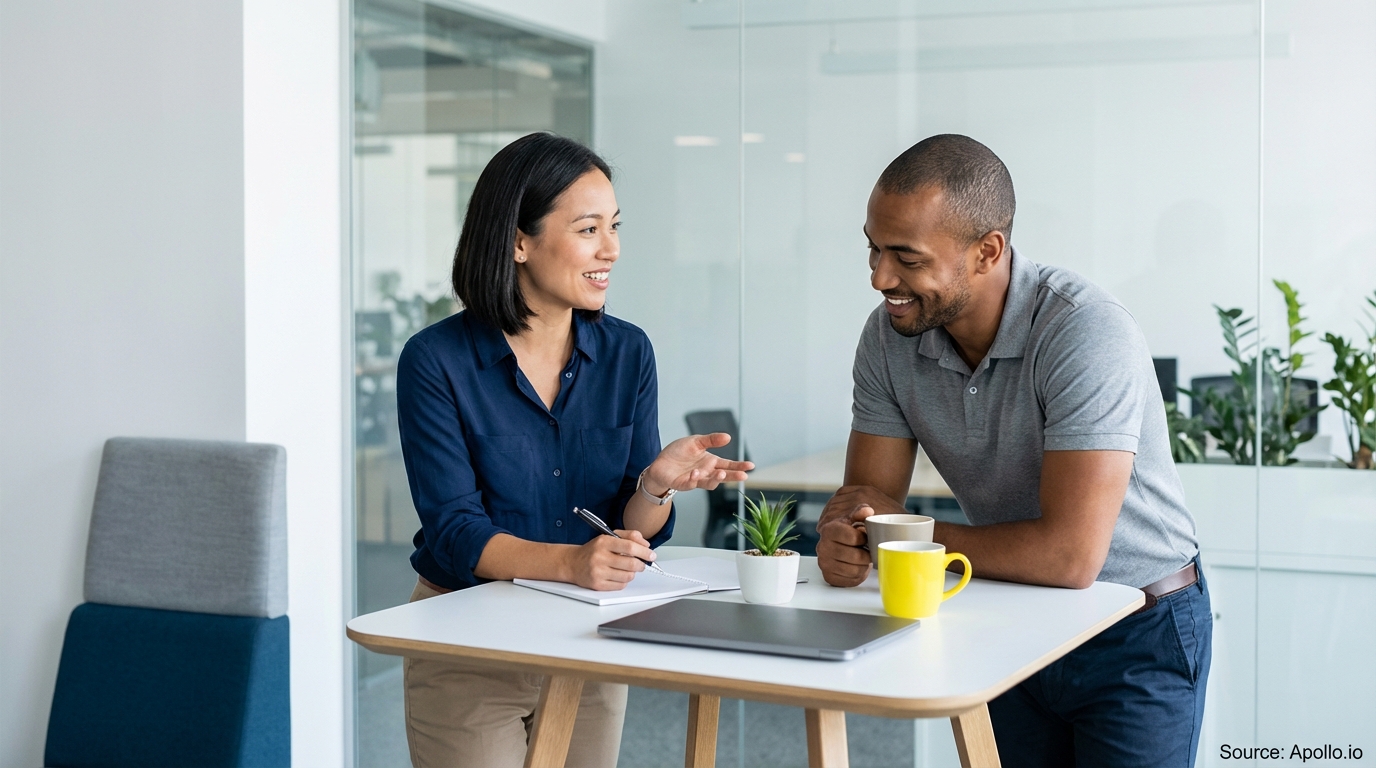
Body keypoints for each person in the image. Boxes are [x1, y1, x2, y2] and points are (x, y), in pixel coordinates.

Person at [815, 134, 1211, 767]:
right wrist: (846, 543)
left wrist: (899, 537)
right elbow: (868, 514)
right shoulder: (890, 336)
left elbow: (1070, 556)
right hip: (1007, 613)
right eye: (872, 248)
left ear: (987, 251)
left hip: (1135, 625)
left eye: (906, 258)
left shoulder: (1084, 330)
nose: (879, 278)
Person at [395, 132, 752, 768]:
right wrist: (569, 563)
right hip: (469, 645)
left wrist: (654, 487)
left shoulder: (628, 352)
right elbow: (453, 530)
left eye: (613, 227)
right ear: (518, 241)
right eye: (588, 229)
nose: (611, 249)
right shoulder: (436, 360)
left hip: (589, 637)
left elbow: (631, 532)